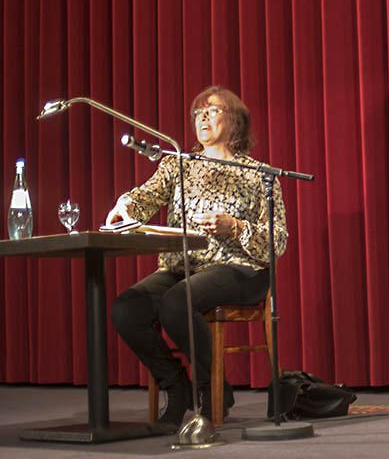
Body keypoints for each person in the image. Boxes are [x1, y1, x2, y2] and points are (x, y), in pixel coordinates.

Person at [108, 86, 288, 428]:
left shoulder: (259, 174)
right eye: (197, 114)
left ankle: (210, 391)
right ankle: (177, 388)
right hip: (184, 267)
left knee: (177, 302)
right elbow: (145, 198)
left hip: (241, 269)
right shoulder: (177, 165)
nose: (202, 118)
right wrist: (125, 206)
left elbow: (277, 240)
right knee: (126, 308)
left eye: (212, 111)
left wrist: (234, 227)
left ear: (235, 121)